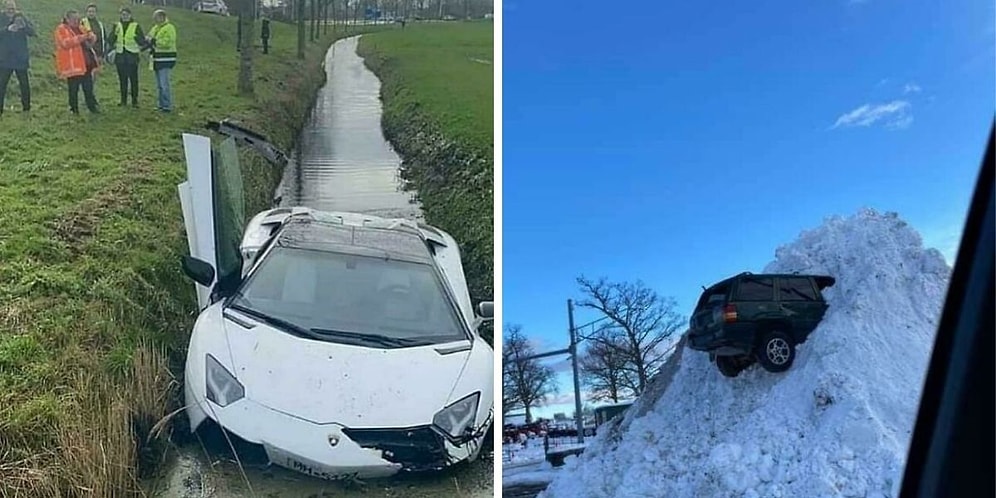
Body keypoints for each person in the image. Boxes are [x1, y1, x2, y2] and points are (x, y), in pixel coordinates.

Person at [55, 9, 100, 114]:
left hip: (85, 64)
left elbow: (90, 37)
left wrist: (92, 37)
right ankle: (73, 109)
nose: (77, 21)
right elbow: (66, 43)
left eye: (78, 19)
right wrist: (83, 37)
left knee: (88, 88)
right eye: (74, 19)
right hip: (72, 66)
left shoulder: (80, 27)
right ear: (67, 19)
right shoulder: (61, 29)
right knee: (73, 89)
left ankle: (92, 107)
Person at [0, 0, 34, 116]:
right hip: (5, 58)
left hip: (20, 58)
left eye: (13, 9)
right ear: (4, 9)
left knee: (24, 84)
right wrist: (7, 29)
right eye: (9, 9)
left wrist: (24, 27)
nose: (11, 11)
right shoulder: (1, 18)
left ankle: (26, 108)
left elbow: (32, 32)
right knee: (2, 84)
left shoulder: (21, 17)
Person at [105, 7, 144, 107]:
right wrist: (115, 33)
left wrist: (136, 37)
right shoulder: (117, 25)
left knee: (134, 80)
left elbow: (142, 41)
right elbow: (110, 40)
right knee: (122, 80)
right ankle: (123, 101)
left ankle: (134, 101)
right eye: (123, 14)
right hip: (120, 57)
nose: (125, 16)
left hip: (132, 57)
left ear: (130, 15)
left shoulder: (136, 26)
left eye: (126, 14)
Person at [146, 9, 175, 112]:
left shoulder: (169, 28)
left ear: (163, 17)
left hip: (166, 59)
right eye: (155, 17)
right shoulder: (155, 28)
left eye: (158, 17)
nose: (156, 19)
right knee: (159, 85)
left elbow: (168, 42)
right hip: (157, 59)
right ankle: (160, 104)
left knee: (164, 84)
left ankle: (167, 106)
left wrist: (154, 41)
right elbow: (149, 37)